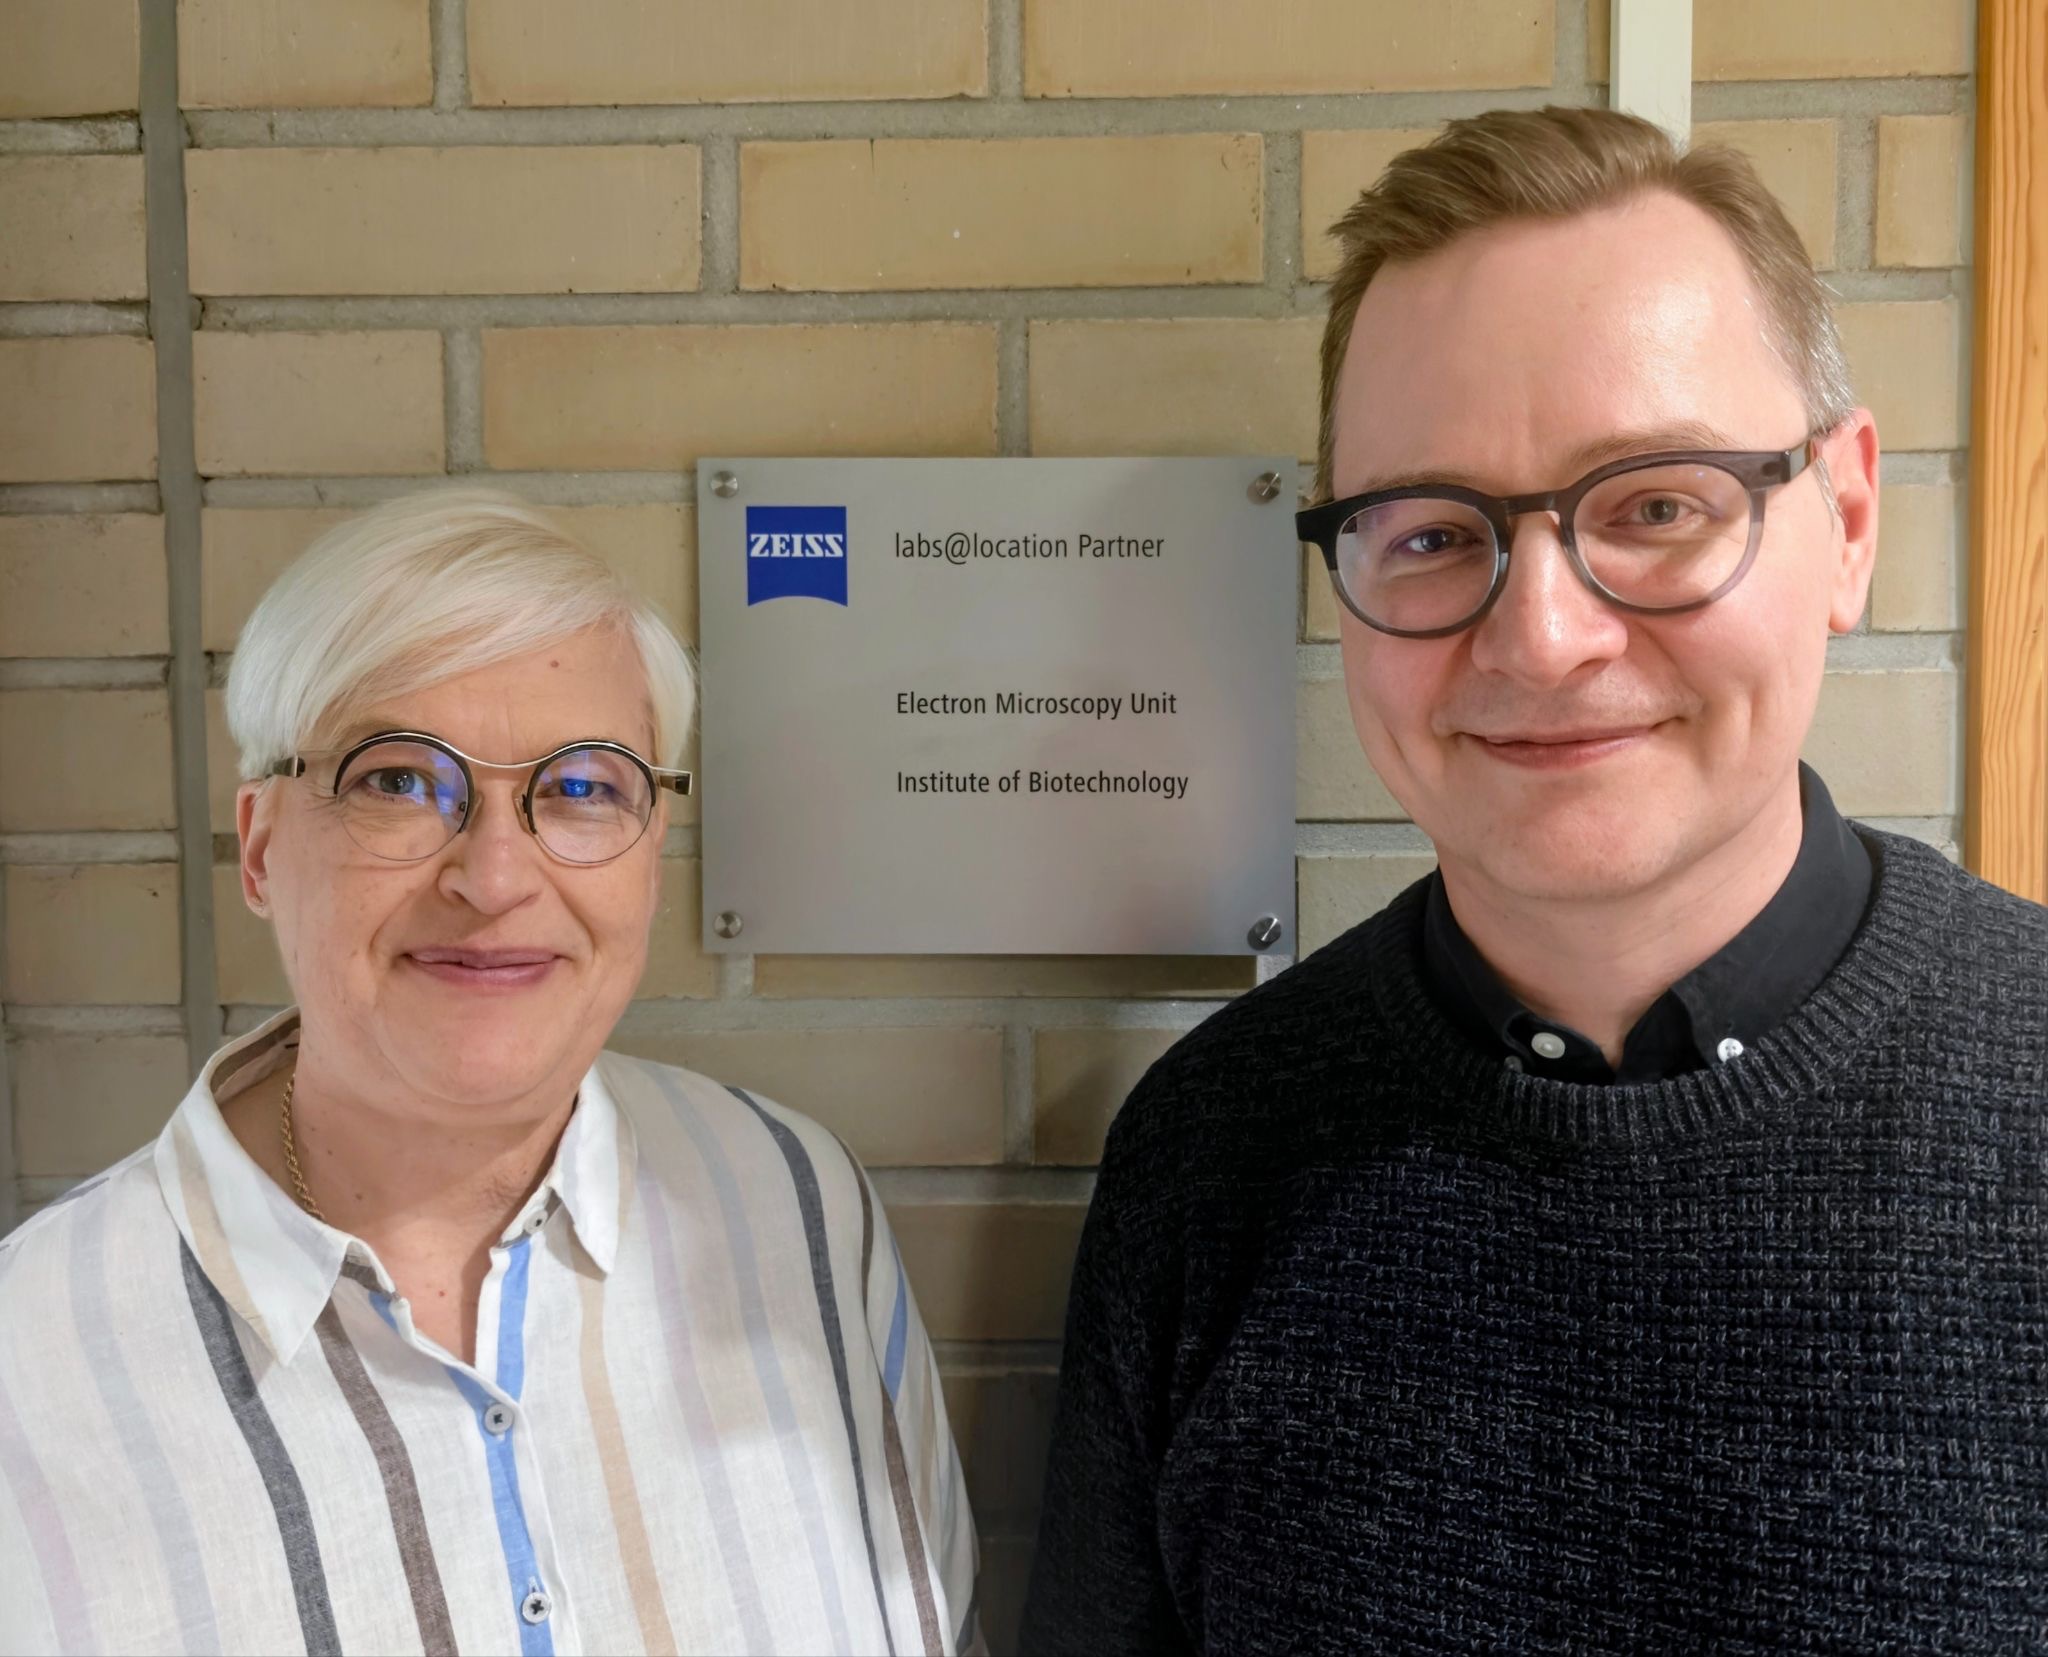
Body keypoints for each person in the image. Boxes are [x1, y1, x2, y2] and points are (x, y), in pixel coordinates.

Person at [1021, 106, 2048, 1653]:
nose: (1542, 637)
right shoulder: (1212, 1153)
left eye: (1655, 506)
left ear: (1844, 521)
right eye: (1434, 533)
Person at [0, 491, 979, 1656]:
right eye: (400, 779)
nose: (497, 874)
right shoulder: (32, 1362)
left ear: (651, 854)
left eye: (580, 786)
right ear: (261, 847)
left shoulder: (794, 1204)